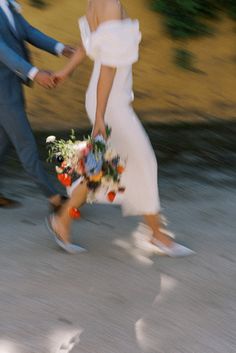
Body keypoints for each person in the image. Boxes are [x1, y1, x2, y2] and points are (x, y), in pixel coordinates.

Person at [48, 0, 194, 257]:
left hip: (108, 99)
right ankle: (156, 235)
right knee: (142, 161)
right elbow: (108, 67)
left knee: (107, 167)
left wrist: (65, 72)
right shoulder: (110, 5)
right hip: (110, 102)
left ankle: (64, 219)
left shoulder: (96, 3)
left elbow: (89, 45)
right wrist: (101, 117)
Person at [0, 0, 74, 210]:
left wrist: (61, 48)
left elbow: (28, 31)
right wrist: (34, 73)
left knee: (3, 142)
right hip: (2, 93)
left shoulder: (6, 4)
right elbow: (3, 51)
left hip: (10, 85)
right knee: (26, 144)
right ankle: (54, 198)